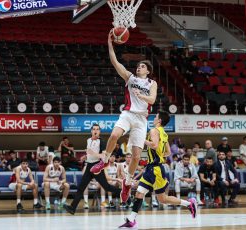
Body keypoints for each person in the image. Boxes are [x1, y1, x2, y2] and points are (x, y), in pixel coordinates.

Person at [90, 30, 158, 205]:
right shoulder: (130, 78)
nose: (139, 67)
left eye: (142, 66)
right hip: (128, 114)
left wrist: (141, 96)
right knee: (113, 135)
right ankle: (104, 160)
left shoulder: (152, 83)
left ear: (148, 71)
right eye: (138, 66)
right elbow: (115, 62)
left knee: (136, 157)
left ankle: (127, 184)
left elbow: (152, 99)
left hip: (142, 120)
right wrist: (110, 43)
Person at [118, 111, 197, 228]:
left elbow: (154, 145)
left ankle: (189, 203)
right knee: (140, 193)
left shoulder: (154, 130)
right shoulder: (164, 133)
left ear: (159, 120)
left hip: (156, 170)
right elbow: (168, 152)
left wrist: (141, 139)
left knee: (163, 199)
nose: (154, 118)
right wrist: (158, 156)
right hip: (151, 168)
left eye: (155, 117)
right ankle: (131, 219)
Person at [63, 124, 121, 214]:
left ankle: (125, 193)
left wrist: (92, 153)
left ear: (99, 131)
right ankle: (72, 208)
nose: (95, 131)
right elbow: (90, 154)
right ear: (91, 131)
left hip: (97, 166)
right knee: (81, 188)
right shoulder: (88, 140)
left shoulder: (102, 142)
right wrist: (85, 157)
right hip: (89, 166)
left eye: (97, 129)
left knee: (107, 187)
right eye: (94, 129)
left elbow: (103, 156)